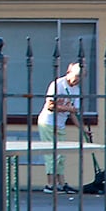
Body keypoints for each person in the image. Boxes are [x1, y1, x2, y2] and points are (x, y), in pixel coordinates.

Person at [36, 61, 82, 194]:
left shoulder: (76, 90)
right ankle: (50, 184)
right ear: (69, 73)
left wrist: (82, 128)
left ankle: (61, 184)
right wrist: (68, 108)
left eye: (80, 77)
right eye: (76, 76)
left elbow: (74, 112)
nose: (77, 80)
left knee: (61, 154)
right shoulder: (57, 85)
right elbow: (50, 105)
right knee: (51, 154)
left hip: (60, 124)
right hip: (48, 122)